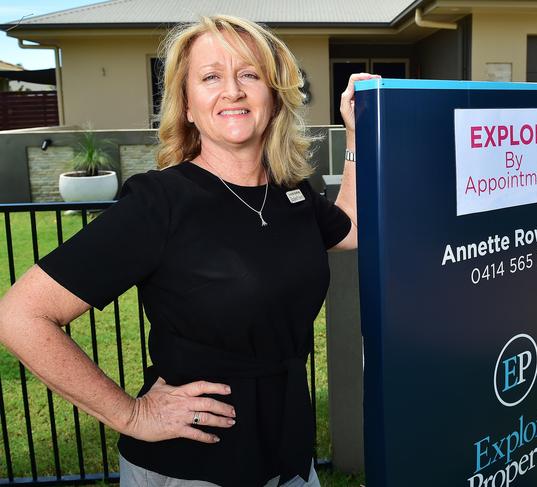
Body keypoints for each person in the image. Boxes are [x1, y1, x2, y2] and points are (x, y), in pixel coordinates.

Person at [0, 14, 378, 487]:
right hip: (195, 464)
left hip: (288, 450)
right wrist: (132, 415)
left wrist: (358, 133)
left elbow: (353, 228)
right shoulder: (161, 202)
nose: (233, 91)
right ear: (187, 105)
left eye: (249, 74)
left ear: (275, 95)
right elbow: (20, 315)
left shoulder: (291, 191)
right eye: (211, 77)